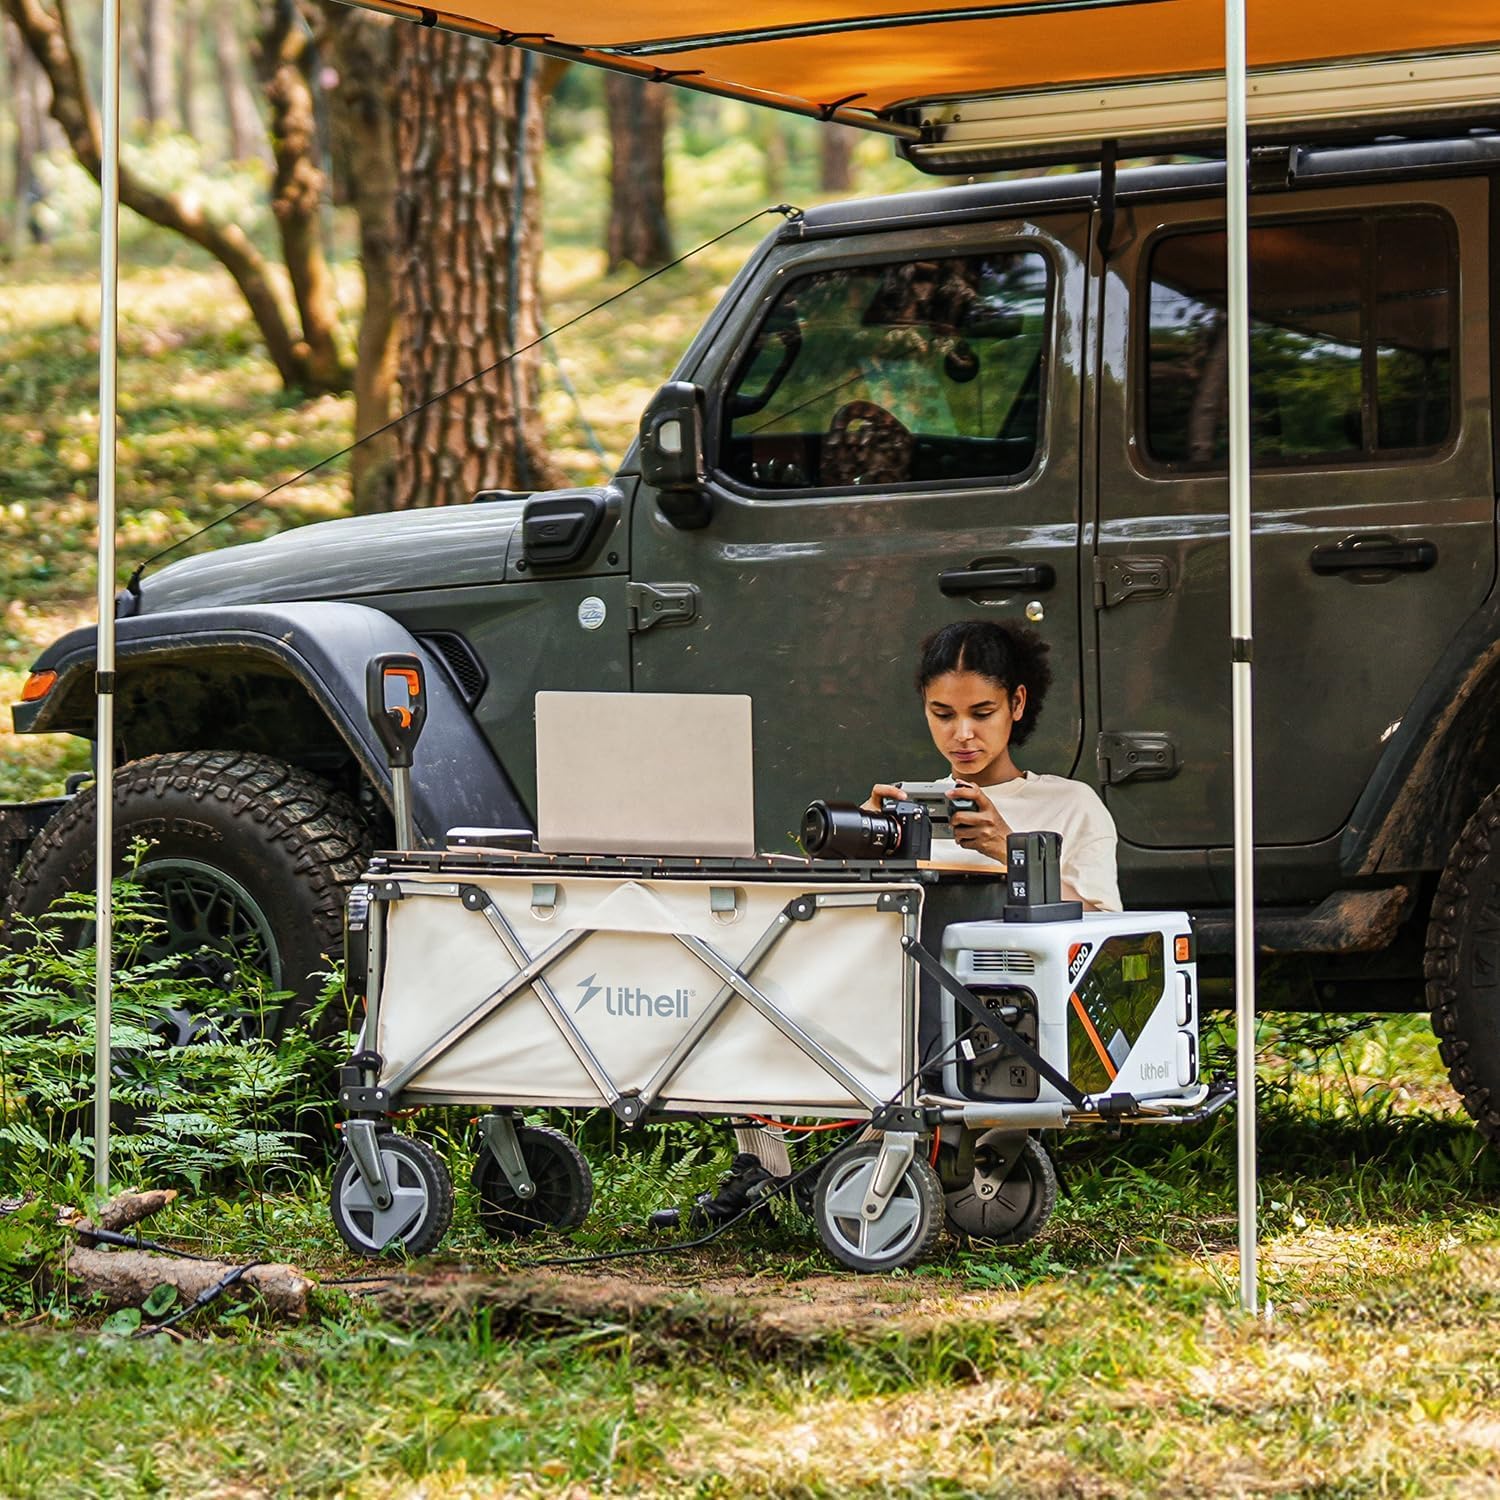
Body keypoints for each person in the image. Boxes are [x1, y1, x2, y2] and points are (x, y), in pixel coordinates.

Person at [867, 618, 1121, 911]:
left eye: (983, 713)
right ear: (925, 705)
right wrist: (856, 845)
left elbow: (1104, 931)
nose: (963, 734)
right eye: (943, 715)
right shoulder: (902, 810)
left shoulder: (1072, 805)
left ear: (1017, 703)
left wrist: (1008, 850)